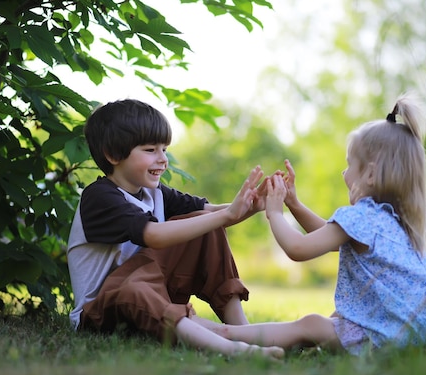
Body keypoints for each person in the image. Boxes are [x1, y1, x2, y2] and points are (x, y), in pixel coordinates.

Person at [199, 94, 426, 355]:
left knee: (312, 324)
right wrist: (294, 204)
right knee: (336, 318)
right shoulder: (394, 223)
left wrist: (274, 212)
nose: (344, 173)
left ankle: (224, 334)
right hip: (418, 340)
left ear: (371, 174)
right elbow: (327, 234)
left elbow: (298, 249)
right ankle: (310, 347)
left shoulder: (362, 217)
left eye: (350, 165)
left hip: (386, 340)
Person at [67, 98, 284, 360]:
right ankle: (233, 349)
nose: (163, 159)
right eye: (150, 150)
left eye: (164, 149)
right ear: (113, 155)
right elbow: (154, 236)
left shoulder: (155, 192)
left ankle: (241, 327)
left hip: (148, 295)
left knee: (205, 226)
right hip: (101, 311)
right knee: (134, 288)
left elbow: (212, 213)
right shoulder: (99, 197)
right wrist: (227, 213)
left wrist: (253, 205)